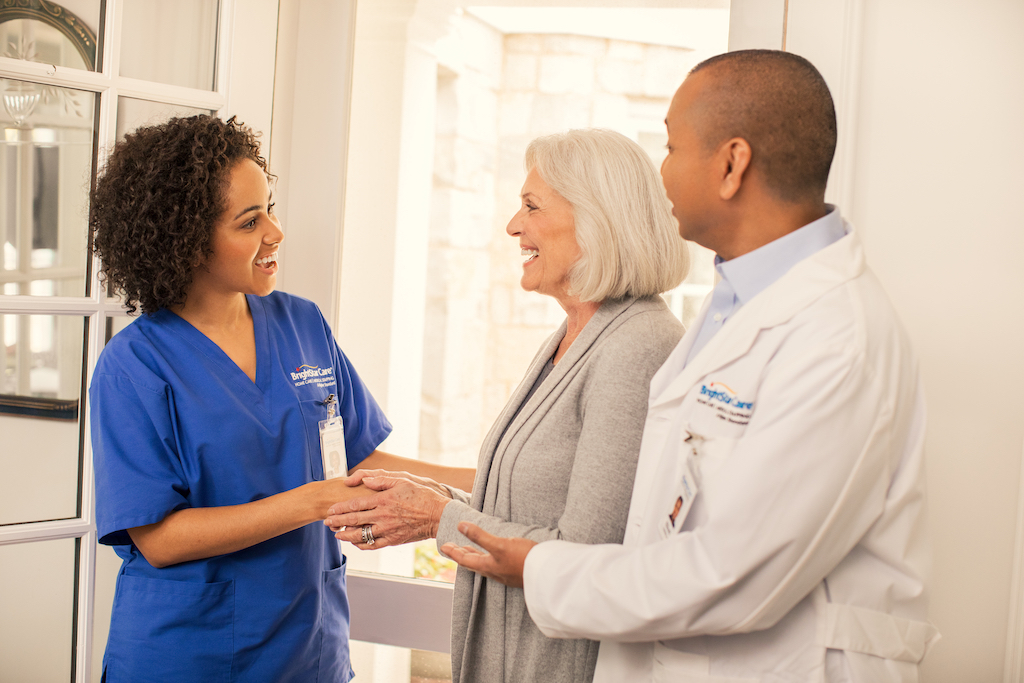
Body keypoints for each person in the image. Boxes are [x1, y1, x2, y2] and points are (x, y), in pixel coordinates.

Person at [441, 50, 940, 682]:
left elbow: (733, 574)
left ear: (732, 165)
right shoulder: (730, 309)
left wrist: (534, 565)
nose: (661, 174)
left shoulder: (840, 339)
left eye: (672, 148)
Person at [88, 114, 471, 682]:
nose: (275, 233)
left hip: (309, 652)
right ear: (187, 241)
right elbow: (159, 539)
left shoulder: (301, 322)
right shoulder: (135, 367)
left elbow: (354, 459)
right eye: (249, 222)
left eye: (270, 208)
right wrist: (312, 502)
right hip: (190, 658)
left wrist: (485, 481)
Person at [326, 129, 689, 683]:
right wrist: (437, 500)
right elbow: (535, 506)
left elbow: (581, 557)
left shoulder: (638, 344)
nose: (513, 225)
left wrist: (436, 517)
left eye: (531, 206)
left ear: (597, 220)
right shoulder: (573, 335)